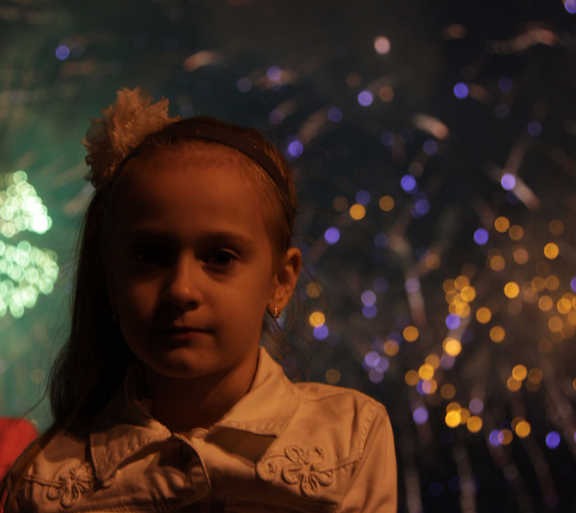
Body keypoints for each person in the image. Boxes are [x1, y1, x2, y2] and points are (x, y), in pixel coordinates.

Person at [0, 88, 397, 512]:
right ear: (112, 280)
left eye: (220, 257)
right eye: (150, 256)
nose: (181, 290)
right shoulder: (44, 478)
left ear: (280, 282)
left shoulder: (350, 437)